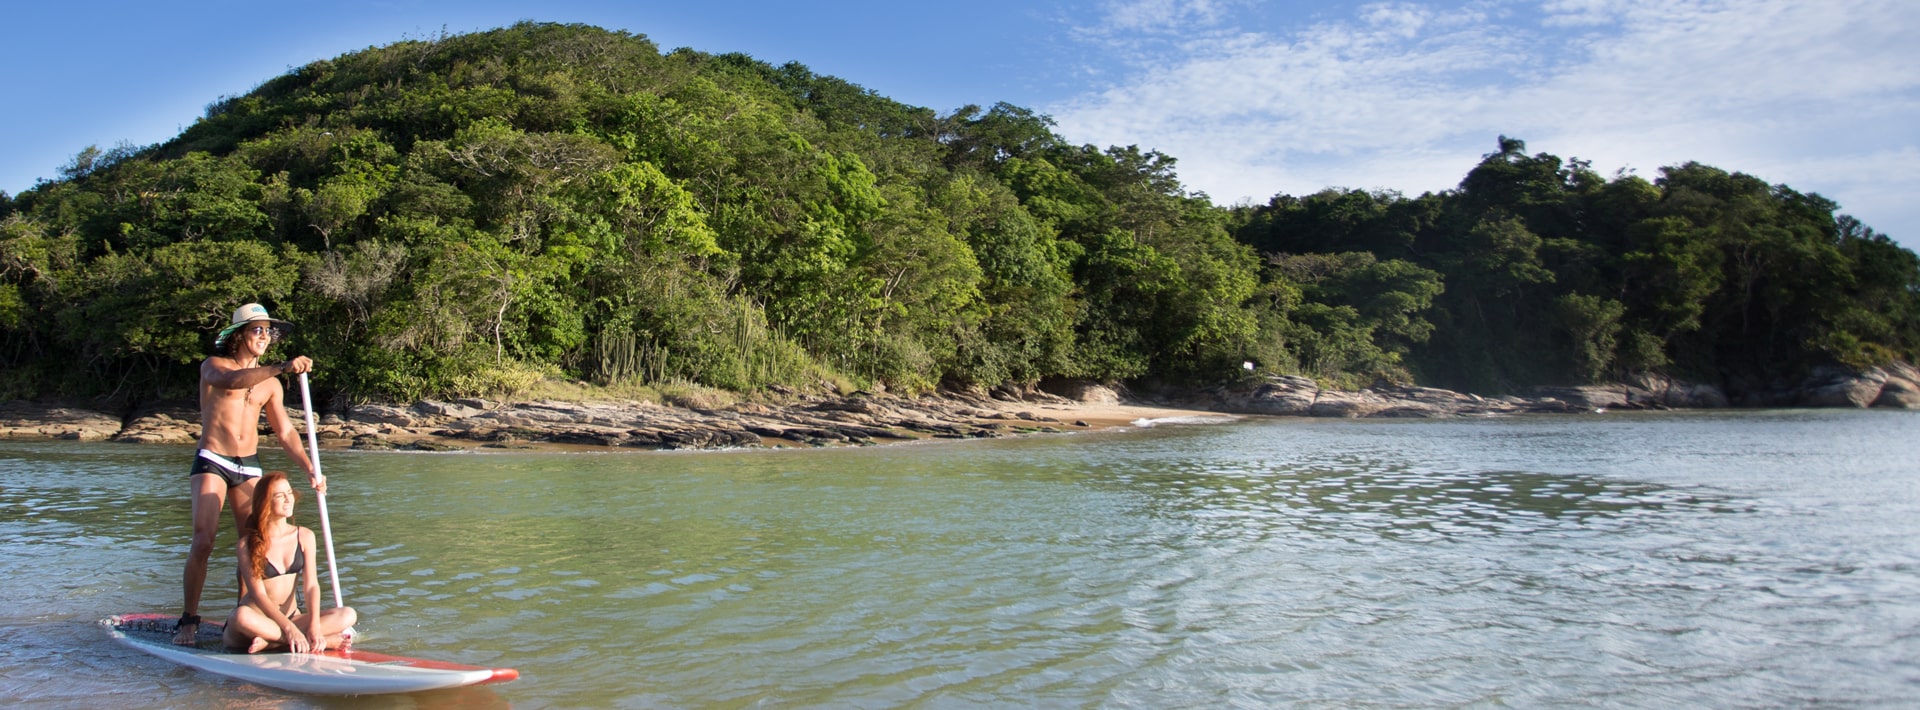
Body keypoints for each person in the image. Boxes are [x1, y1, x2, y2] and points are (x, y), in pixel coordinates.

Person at [174, 303, 325, 645]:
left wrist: (310, 469)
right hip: (213, 458)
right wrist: (283, 366)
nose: (264, 337)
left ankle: (248, 620)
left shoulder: (271, 385)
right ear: (239, 335)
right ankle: (188, 619)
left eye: (268, 331)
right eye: (257, 330)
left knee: (253, 543)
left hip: (248, 464)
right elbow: (231, 380)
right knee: (204, 539)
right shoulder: (214, 366)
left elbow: (285, 432)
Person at [223, 471, 357, 653]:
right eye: (280, 495)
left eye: (289, 493)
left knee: (347, 614)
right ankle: (301, 640)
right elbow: (258, 595)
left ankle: (271, 643)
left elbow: (311, 586)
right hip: (258, 621)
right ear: (265, 503)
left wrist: (315, 626)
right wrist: (289, 629)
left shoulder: (305, 536)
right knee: (240, 616)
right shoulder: (247, 545)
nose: (288, 499)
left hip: (292, 617)